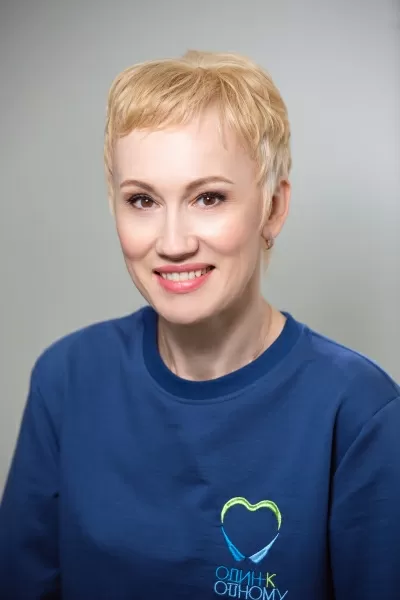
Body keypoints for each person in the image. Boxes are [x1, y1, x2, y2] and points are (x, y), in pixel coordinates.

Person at [0, 49, 399, 600]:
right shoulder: (66, 378)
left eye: (208, 198)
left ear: (273, 208)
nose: (172, 243)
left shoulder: (358, 411)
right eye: (142, 200)